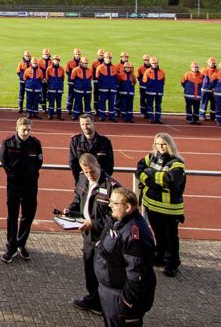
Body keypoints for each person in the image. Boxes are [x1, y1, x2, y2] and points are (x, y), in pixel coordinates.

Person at [64, 153, 121, 315]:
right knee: (89, 267)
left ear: (98, 167)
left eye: (92, 172)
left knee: (103, 272)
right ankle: (93, 299)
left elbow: (116, 216)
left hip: (104, 236)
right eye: (86, 172)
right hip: (88, 235)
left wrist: (95, 223)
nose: (90, 175)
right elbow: (78, 199)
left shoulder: (112, 187)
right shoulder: (82, 180)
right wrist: (70, 211)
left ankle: (105, 303)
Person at [94, 188, 157, 326]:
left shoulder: (134, 234)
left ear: (127, 207)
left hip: (119, 297)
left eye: (115, 203)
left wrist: (126, 302)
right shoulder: (118, 220)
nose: (110, 205)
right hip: (109, 292)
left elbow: (137, 275)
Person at [137, 132, 186, 278]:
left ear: (170, 144)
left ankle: (172, 263)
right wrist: (151, 178)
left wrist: (149, 176)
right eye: (158, 144)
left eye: (164, 144)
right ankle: (159, 257)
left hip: (170, 208)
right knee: (158, 234)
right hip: (152, 204)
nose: (161, 147)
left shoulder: (176, 162)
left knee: (171, 237)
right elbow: (139, 169)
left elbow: (170, 181)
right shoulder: (151, 157)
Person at [0, 117, 42, 262]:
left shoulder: (35, 144)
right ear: (17, 129)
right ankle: (11, 246)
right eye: (24, 129)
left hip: (30, 185)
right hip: (14, 185)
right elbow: (4, 161)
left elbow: (39, 162)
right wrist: (13, 175)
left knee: (28, 215)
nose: (26, 132)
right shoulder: (8, 142)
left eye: (29, 129)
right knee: (12, 216)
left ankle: (21, 244)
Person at [68, 113, 114, 184]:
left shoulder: (105, 142)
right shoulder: (75, 141)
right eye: (82, 124)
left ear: (93, 124)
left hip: (101, 181)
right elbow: (73, 163)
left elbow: (109, 165)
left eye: (87, 124)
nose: (85, 127)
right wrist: (82, 177)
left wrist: (99, 177)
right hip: (82, 181)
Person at [141, 58, 165, 124]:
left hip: (159, 91)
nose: (155, 64)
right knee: (150, 105)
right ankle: (151, 118)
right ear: (151, 64)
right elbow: (144, 81)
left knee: (158, 105)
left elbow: (163, 81)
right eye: (153, 63)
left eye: (156, 63)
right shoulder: (147, 71)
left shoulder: (162, 72)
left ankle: (158, 118)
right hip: (150, 91)